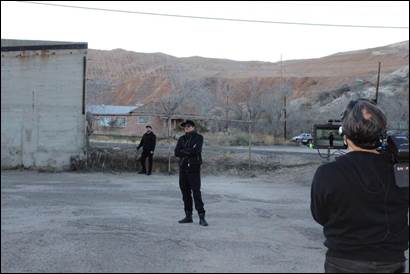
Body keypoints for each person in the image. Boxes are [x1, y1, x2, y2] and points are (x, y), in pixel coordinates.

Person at [311, 99, 409, 273]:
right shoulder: (401, 170)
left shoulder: (327, 173)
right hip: (392, 261)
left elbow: (320, 215)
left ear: (344, 133)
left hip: (343, 261)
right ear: (382, 133)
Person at [174, 120, 208, 226]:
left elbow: (196, 151)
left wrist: (184, 151)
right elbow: (176, 152)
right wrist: (188, 151)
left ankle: (202, 217)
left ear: (193, 127)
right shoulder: (181, 139)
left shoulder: (199, 137)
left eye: (189, 126)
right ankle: (188, 216)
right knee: (185, 193)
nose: (186, 128)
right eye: (185, 127)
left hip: (194, 168)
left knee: (196, 192)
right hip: (183, 168)